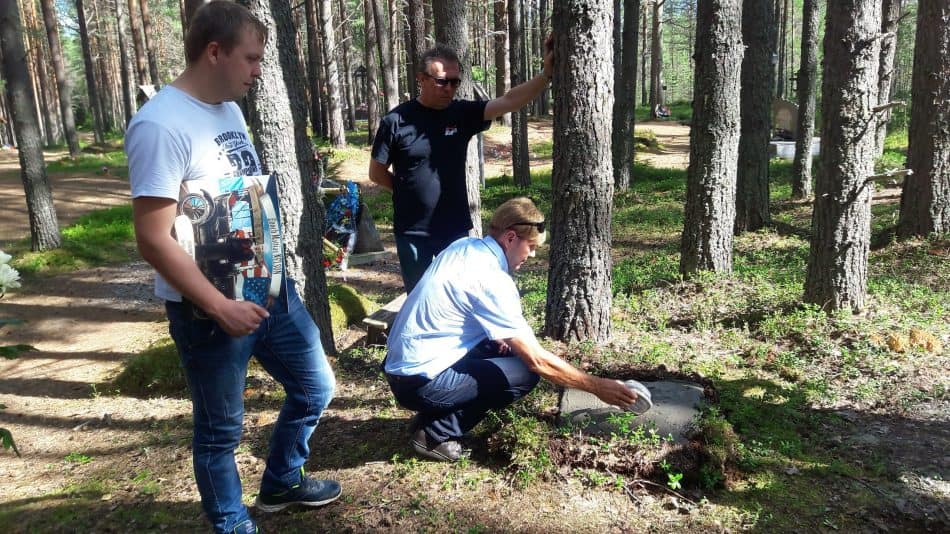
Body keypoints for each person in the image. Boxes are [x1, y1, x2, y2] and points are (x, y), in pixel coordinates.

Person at [125, 3, 340, 532]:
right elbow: (153, 239)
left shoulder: (228, 108)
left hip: (269, 289)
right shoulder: (159, 125)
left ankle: (282, 482)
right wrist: (218, 306)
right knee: (221, 432)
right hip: (210, 311)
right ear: (213, 52)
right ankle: (231, 523)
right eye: (251, 58)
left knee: (316, 387)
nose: (258, 70)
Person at [382, 197, 641, 462]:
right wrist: (598, 387)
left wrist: (493, 339)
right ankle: (434, 433)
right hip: (419, 383)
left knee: (503, 352)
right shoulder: (492, 279)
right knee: (523, 374)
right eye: (530, 246)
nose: (533, 254)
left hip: (400, 369)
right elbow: (538, 361)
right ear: (509, 238)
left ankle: (431, 416)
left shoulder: (464, 246)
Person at [369, 39, 555, 293]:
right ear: (421, 79)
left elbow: (509, 101)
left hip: (454, 228)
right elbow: (376, 172)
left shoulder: (461, 114)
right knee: (420, 296)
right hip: (412, 231)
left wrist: (546, 75)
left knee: (459, 294)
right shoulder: (396, 121)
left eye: (455, 82)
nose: (449, 88)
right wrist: (406, 193)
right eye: (442, 81)